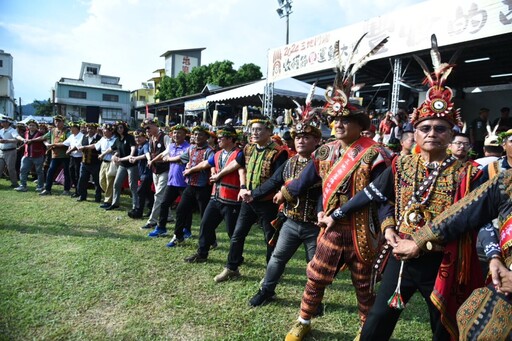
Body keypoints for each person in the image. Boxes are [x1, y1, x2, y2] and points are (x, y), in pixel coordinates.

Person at [330, 36, 484, 341]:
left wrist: (422, 241)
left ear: (453, 133)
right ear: (413, 132)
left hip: (441, 262)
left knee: (444, 327)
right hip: (400, 255)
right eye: (425, 128)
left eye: (441, 129)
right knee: (376, 322)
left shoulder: (468, 173)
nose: (432, 134)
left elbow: (467, 217)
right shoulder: (401, 164)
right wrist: (385, 226)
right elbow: (378, 196)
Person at [283, 99, 390, 340]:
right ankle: (303, 321)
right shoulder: (325, 151)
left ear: (359, 124)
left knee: (364, 283)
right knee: (316, 276)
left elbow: (379, 193)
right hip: (330, 226)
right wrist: (321, 209)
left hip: (362, 228)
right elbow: (317, 183)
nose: (339, 124)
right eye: (336, 120)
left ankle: (365, 328)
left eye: (345, 120)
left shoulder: (375, 153)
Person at [395, 168, 512, 340]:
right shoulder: (507, 181)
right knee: (475, 323)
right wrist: (419, 241)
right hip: (506, 283)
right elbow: (465, 211)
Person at [247, 112, 323, 307]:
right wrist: (253, 194)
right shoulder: (289, 162)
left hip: (314, 225)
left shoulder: (324, 164)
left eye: (306, 137)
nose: (301, 141)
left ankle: (313, 300)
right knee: (277, 258)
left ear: (316, 140)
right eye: (298, 137)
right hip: (290, 221)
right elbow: (274, 181)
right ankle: (266, 291)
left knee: (314, 266)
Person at [213, 119, 287, 283]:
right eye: (253, 129)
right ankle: (231, 268)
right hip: (248, 201)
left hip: (267, 202)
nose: (255, 132)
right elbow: (241, 167)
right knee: (237, 235)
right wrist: (243, 187)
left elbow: (276, 180)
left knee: (270, 238)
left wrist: (254, 193)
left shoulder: (279, 152)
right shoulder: (248, 148)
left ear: (269, 131)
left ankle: (272, 272)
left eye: (259, 129)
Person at [184, 125, 244, 262]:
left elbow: (241, 171)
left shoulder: (239, 154)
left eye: (221, 138)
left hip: (231, 200)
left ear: (230, 139)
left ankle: (237, 258)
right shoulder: (218, 154)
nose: (218, 140)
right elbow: (206, 163)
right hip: (215, 197)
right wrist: (191, 170)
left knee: (233, 232)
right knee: (206, 224)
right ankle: (202, 253)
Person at [163, 125, 214, 246]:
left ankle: (211, 240)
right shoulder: (191, 149)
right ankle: (178, 236)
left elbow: (208, 165)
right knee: (181, 210)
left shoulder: (209, 151)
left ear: (206, 137)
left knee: (205, 216)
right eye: (195, 134)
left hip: (203, 187)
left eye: (200, 134)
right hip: (190, 185)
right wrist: (168, 159)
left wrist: (191, 169)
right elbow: (182, 158)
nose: (197, 137)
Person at [144, 124, 189, 234]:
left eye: (179, 133)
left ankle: (187, 230)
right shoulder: (171, 146)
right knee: (164, 204)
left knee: (185, 208)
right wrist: (153, 160)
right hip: (172, 181)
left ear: (184, 135)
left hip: (184, 182)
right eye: (174, 133)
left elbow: (181, 159)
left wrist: (168, 159)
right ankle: (161, 228)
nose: (176, 135)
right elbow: (162, 154)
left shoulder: (189, 148)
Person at [142, 118, 171, 230]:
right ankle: (168, 216)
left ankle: (152, 221)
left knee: (158, 195)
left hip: (165, 169)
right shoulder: (151, 139)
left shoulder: (165, 137)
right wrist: (150, 160)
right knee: (161, 194)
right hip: (155, 169)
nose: (147, 130)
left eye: (148, 127)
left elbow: (168, 151)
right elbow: (149, 152)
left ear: (155, 125)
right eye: (145, 128)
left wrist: (153, 160)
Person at [79, 123, 117, 207]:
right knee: (101, 181)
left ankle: (108, 201)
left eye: (105, 130)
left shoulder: (115, 140)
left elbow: (115, 150)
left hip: (111, 163)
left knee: (109, 181)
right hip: (103, 162)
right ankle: (111, 195)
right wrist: (85, 147)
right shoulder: (103, 139)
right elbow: (95, 146)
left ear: (111, 131)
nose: (103, 131)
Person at [106, 121, 138, 211]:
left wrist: (131, 155)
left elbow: (133, 147)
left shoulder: (129, 137)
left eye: (121, 127)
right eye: (118, 128)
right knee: (116, 184)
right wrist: (107, 155)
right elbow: (112, 149)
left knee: (133, 186)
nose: (119, 129)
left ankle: (135, 206)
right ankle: (115, 204)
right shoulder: (118, 139)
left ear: (124, 128)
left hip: (132, 165)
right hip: (122, 165)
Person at [40, 115, 71, 196]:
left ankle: (66, 190)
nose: (56, 123)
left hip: (65, 156)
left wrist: (53, 144)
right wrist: (47, 144)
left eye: (59, 121)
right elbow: (44, 138)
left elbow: (67, 142)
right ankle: (47, 189)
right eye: (55, 121)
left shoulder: (67, 131)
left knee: (66, 173)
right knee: (50, 172)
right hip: (55, 155)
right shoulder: (52, 130)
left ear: (63, 122)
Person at [127, 129, 153, 218]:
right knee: (147, 192)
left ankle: (138, 211)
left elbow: (146, 154)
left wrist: (137, 158)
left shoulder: (146, 145)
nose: (137, 139)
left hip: (147, 172)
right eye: (136, 137)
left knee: (140, 191)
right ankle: (151, 207)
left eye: (139, 137)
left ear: (144, 137)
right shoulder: (139, 146)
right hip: (142, 172)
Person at [14, 119, 45, 192]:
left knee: (39, 171)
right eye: (30, 125)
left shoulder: (40, 133)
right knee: (23, 170)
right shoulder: (26, 133)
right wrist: (21, 145)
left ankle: (40, 186)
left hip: (38, 155)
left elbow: (43, 139)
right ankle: (23, 185)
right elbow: (23, 141)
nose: (31, 126)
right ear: (28, 126)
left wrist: (32, 141)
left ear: (36, 126)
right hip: (27, 155)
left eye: (33, 125)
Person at [76, 123, 102, 202]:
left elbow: (96, 146)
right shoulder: (84, 137)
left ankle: (98, 197)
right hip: (84, 163)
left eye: (92, 129)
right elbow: (78, 145)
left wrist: (83, 147)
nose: (90, 130)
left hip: (95, 163)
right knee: (82, 179)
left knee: (97, 181)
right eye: (89, 128)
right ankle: (82, 195)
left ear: (96, 129)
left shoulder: (99, 138)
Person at [62, 121, 84, 197]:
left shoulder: (82, 136)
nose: (70, 129)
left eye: (72, 127)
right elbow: (65, 143)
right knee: (71, 173)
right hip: (72, 157)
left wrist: (70, 150)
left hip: (79, 157)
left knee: (77, 174)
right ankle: (76, 189)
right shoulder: (71, 136)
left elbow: (77, 146)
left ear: (76, 128)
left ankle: (79, 191)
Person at [0, 117, 20, 188]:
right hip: (1, 151)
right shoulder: (1, 130)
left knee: (11, 168)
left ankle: (14, 183)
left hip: (11, 151)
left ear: (8, 122)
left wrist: (6, 140)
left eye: (3, 121)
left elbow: (16, 139)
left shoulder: (13, 130)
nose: (2, 122)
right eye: (1, 121)